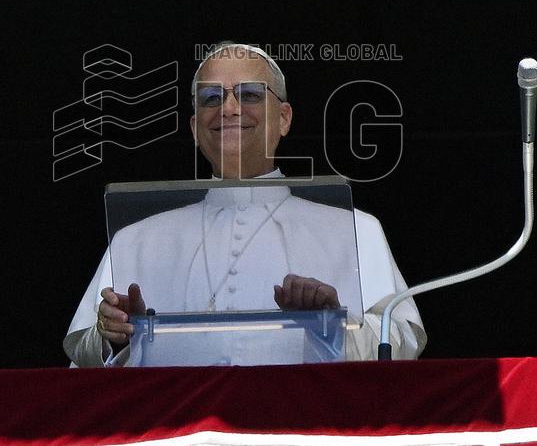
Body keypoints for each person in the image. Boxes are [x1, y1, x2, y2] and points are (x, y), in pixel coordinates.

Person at [63, 42, 425, 366]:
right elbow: (84, 358)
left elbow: (398, 345)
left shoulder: (356, 229)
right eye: (211, 98)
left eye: (250, 94)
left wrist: (331, 324)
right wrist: (115, 334)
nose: (230, 108)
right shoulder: (135, 240)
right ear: (193, 127)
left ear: (284, 118)